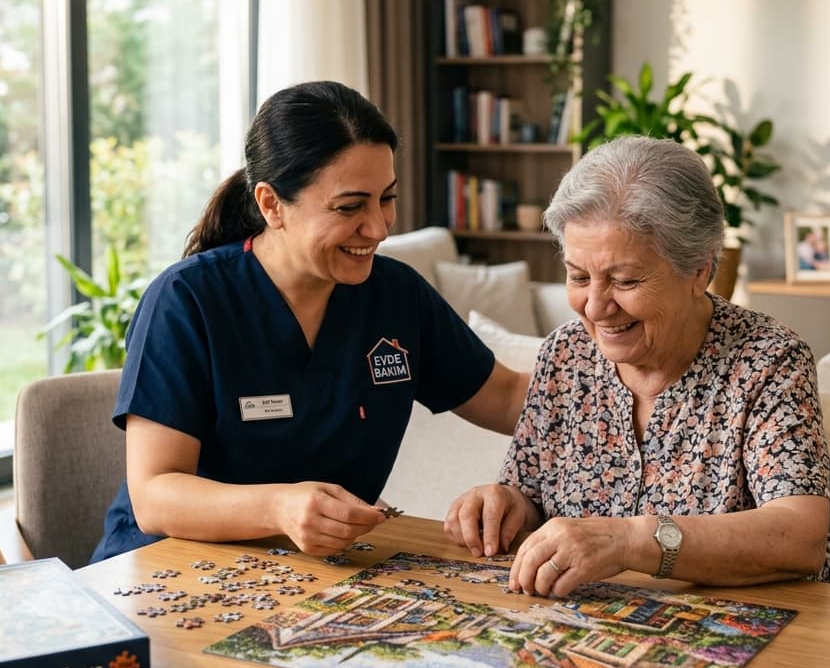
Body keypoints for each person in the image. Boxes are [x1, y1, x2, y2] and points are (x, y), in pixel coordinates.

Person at [91, 80, 528, 561]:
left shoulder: (397, 296)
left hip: (318, 577)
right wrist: (279, 508)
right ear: (271, 204)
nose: (379, 228)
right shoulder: (185, 300)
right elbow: (154, 495)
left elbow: (506, 396)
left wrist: (601, 371)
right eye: (350, 207)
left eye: (386, 198)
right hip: (166, 568)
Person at [444, 135, 830, 595]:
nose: (595, 307)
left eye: (625, 280)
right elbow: (531, 498)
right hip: (589, 623)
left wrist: (631, 540)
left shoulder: (769, 360)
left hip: (751, 624)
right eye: (578, 276)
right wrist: (504, 506)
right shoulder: (565, 355)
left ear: (699, 270)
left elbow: (799, 536)